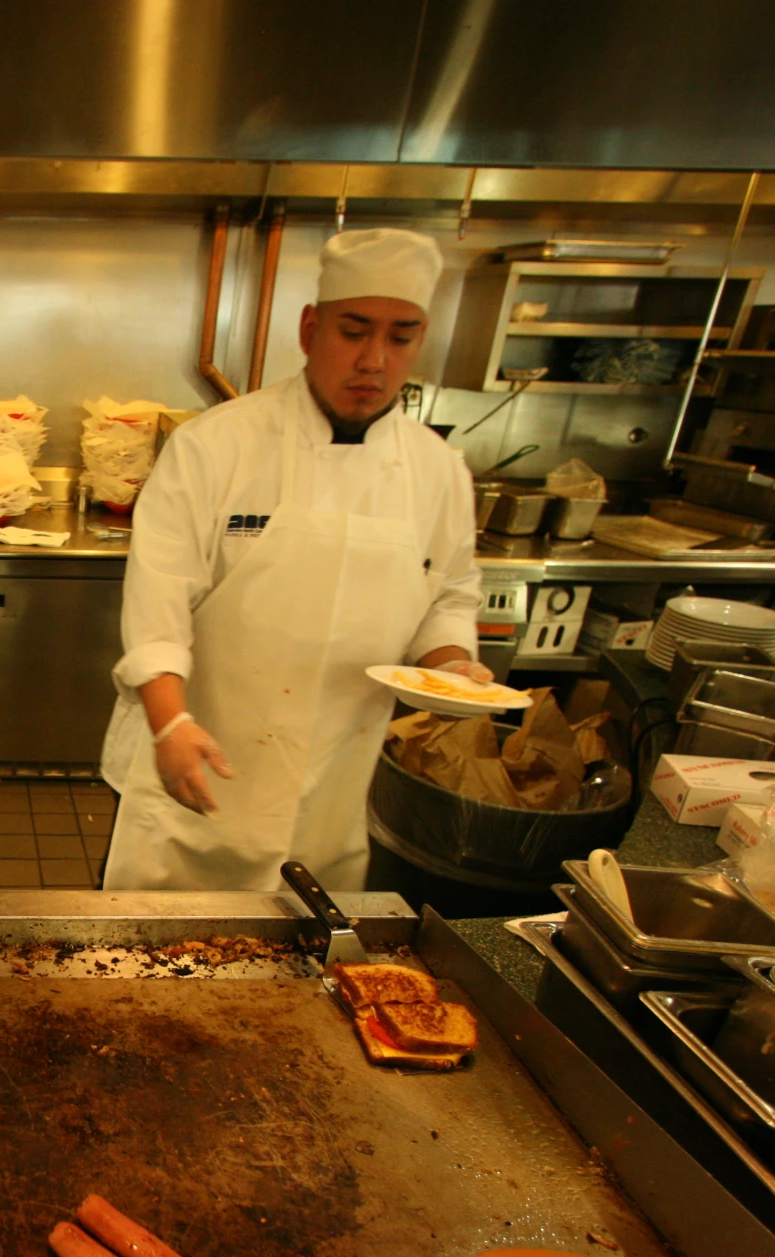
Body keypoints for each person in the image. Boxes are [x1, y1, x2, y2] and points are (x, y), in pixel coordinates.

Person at [98, 227, 486, 894]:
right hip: (197, 756)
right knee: (149, 964)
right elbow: (157, 605)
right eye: (353, 330)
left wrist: (451, 668)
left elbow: (447, 596)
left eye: (400, 336)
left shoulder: (439, 470)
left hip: (336, 784)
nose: (373, 359)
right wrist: (170, 721)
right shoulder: (217, 445)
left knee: (301, 972)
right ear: (310, 329)